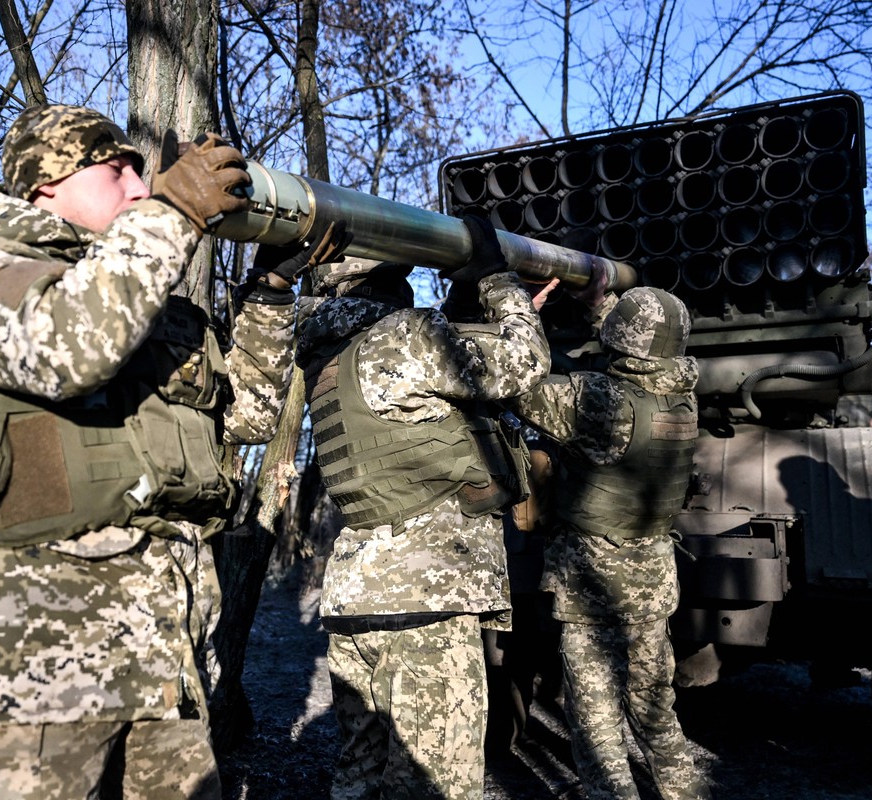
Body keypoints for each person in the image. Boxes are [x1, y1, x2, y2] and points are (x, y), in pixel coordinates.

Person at [0, 103, 345, 799]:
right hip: (39, 673)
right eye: (115, 171)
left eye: (145, 180)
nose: (139, 189)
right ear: (45, 183)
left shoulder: (144, 303)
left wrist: (269, 292)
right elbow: (69, 349)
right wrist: (176, 212)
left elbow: (249, 417)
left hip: (165, 658)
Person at [293, 220, 550, 800]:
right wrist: (495, 282)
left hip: (359, 593)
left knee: (361, 776)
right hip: (426, 601)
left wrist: (465, 318)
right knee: (438, 785)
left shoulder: (325, 355)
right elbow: (523, 364)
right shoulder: (406, 337)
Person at [507, 282, 709, 800]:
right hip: (652, 582)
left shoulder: (597, 401)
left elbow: (517, 384)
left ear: (622, 339)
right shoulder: (682, 397)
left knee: (597, 723)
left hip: (592, 583)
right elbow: (637, 357)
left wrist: (522, 317)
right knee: (655, 710)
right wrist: (602, 309)